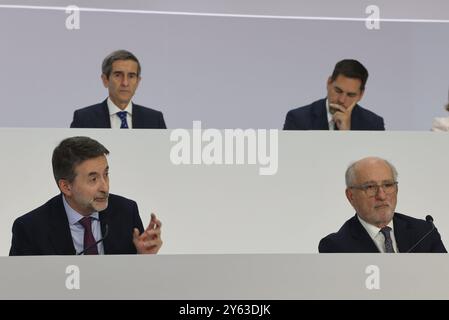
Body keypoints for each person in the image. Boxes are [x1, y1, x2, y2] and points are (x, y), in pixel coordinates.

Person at [9, 136, 163, 255]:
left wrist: (143, 257)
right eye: (93, 179)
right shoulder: (30, 229)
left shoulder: (126, 212)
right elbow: (18, 287)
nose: (105, 187)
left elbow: (137, 283)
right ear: (66, 187)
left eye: (106, 174)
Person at [319, 157, 446, 253]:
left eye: (388, 185)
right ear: (351, 196)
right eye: (370, 187)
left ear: (396, 189)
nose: (381, 196)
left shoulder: (425, 232)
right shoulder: (335, 246)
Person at [70, 50, 166, 129]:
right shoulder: (84, 118)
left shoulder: (154, 119)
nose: (125, 83)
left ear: (138, 82)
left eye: (131, 76)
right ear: (105, 80)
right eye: (118, 75)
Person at [283, 59, 384, 130]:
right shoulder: (298, 119)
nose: (341, 100)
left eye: (350, 95)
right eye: (338, 91)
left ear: (361, 95)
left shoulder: (373, 124)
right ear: (329, 82)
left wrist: (346, 134)